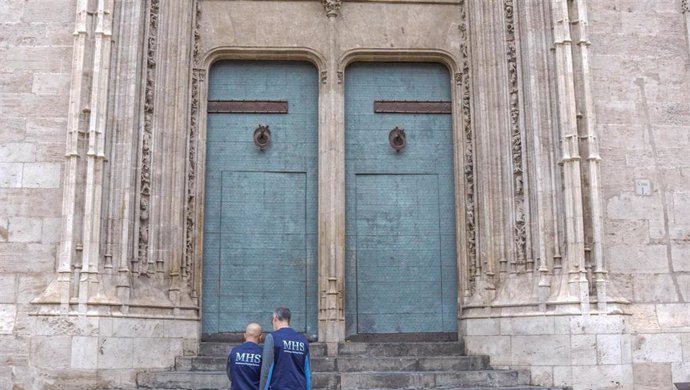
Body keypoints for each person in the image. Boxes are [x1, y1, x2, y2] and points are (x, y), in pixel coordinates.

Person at [259, 307, 311, 390]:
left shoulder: (272, 337)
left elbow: (266, 370)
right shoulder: (303, 339)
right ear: (289, 321)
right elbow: (307, 371)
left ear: (275, 318)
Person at [227, 323, 264, 390]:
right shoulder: (263, 353)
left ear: (245, 335)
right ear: (260, 337)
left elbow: (230, 375)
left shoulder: (233, 351)